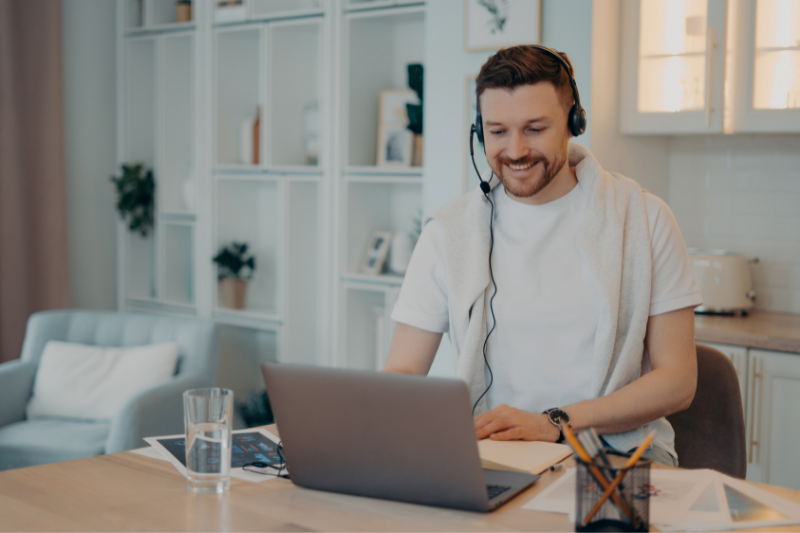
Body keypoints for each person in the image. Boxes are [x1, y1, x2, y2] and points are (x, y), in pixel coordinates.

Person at [382, 45, 702, 466]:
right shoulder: (449, 233)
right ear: (479, 132)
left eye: (534, 129)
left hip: (618, 457)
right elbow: (403, 372)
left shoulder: (644, 219)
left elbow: (678, 381)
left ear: (573, 124)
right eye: (497, 131)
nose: (515, 151)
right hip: (494, 457)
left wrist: (554, 423)